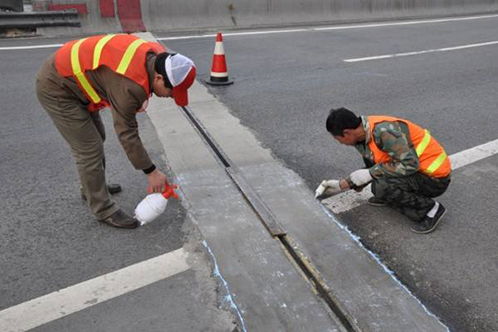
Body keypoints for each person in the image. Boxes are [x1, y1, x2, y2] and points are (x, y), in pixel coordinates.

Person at [36, 34, 196, 229]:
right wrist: (151, 171)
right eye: (172, 92)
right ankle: (103, 209)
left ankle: (92, 188)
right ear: (159, 77)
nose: (171, 97)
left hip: (72, 79)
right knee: (89, 147)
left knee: (97, 135)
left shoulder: (158, 58)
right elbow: (127, 132)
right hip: (57, 87)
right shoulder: (130, 85)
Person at [316, 107, 451, 234]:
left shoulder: (384, 132)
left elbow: (409, 164)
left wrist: (371, 174)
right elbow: (373, 167)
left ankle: (430, 208)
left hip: (434, 179)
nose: (340, 143)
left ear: (346, 132)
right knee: (378, 187)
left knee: (382, 187)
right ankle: (389, 196)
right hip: (415, 171)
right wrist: (341, 185)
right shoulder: (362, 137)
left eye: (337, 139)